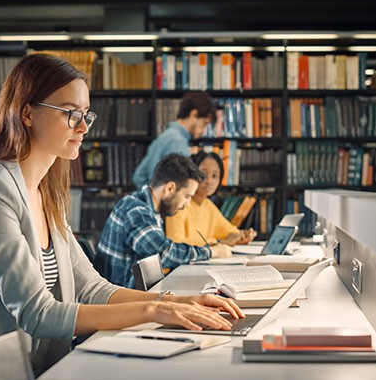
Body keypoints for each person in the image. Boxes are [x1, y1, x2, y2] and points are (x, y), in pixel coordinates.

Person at [0, 54, 242, 375]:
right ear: (27, 113)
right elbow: (37, 313)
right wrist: (154, 310)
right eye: (71, 114)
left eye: (86, 114)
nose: (84, 126)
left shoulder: (46, 192)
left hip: (24, 373)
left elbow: (92, 289)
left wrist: (175, 302)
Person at [96, 153, 233, 288]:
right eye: (186, 196)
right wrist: (211, 252)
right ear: (170, 188)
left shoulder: (152, 210)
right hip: (121, 302)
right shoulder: (135, 210)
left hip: (138, 296)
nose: (187, 204)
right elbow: (163, 253)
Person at [165, 151, 257, 246]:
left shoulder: (208, 206)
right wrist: (218, 243)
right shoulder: (179, 204)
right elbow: (175, 243)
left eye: (214, 176)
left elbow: (230, 232)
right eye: (203, 175)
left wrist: (242, 236)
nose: (209, 181)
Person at [132, 92, 214, 187]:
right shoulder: (177, 141)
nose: (203, 131)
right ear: (194, 114)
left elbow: (139, 176)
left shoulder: (167, 136)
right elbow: (180, 187)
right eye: (204, 123)